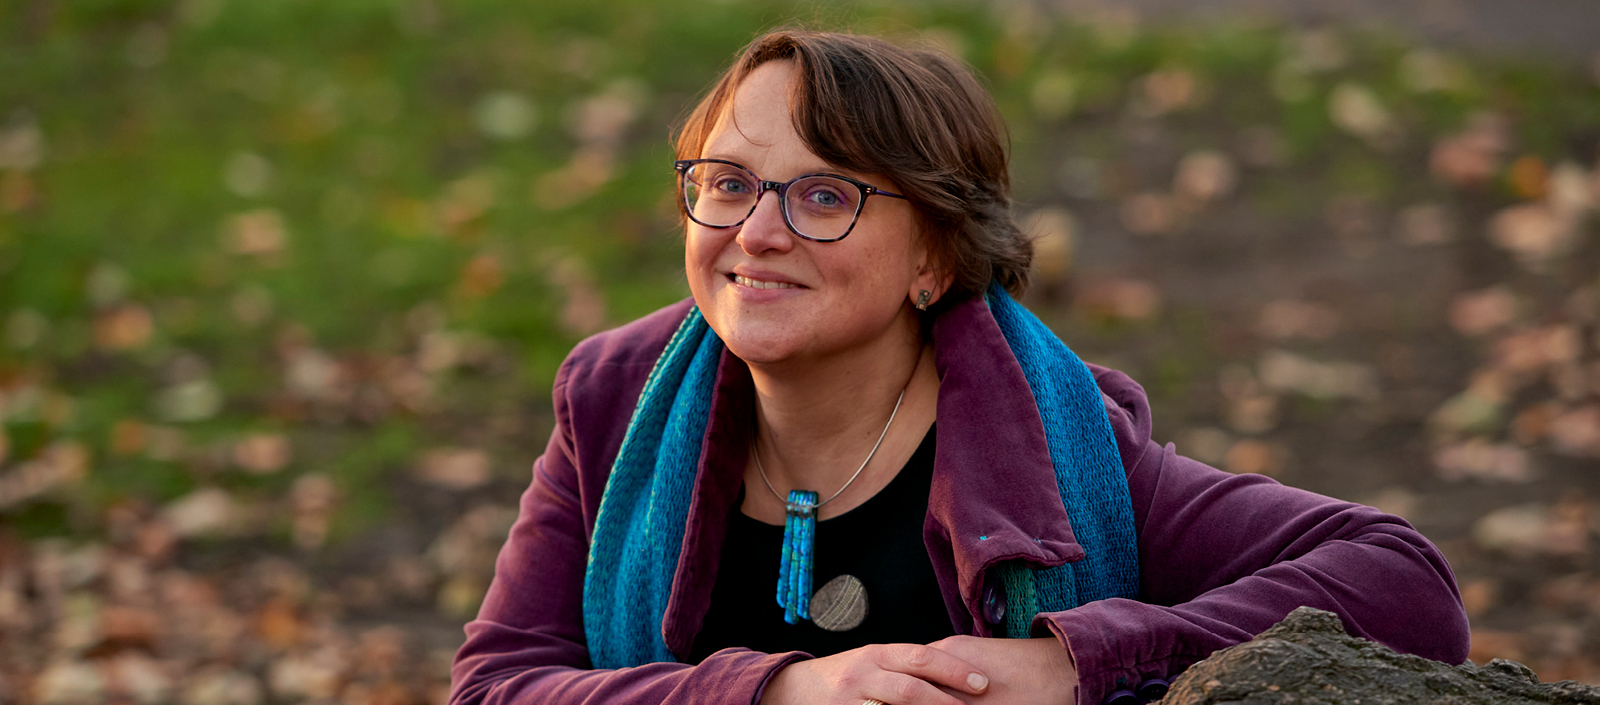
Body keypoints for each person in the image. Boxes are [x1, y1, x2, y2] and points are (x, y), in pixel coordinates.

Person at [448, 29, 1470, 705]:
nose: (755, 232)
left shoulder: (1053, 445)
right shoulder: (614, 402)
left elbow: (1403, 585)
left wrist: (1074, 663)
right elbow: (495, 685)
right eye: (727, 184)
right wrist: (775, 692)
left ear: (935, 255)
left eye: (822, 197)